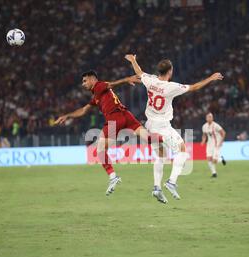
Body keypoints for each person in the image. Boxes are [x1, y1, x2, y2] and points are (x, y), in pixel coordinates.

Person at [125, 54, 223, 203]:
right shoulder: (171, 87)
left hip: (150, 125)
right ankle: (171, 182)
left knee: (161, 156)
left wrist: (133, 60)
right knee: (182, 151)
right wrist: (211, 78)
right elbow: (194, 87)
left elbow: (139, 72)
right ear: (170, 71)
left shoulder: (149, 80)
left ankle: (157, 188)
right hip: (162, 126)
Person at [54, 70, 165, 196]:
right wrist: (68, 116)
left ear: (92, 79)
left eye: (85, 81)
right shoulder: (96, 95)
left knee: (100, 149)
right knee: (149, 138)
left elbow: (111, 84)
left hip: (114, 119)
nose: (83, 84)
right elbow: (84, 110)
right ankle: (167, 138)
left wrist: (127, 79)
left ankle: (113, 176)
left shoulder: (98, 85)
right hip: (126, 115)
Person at [201, 113, 226, 178]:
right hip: (209, 144)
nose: (209, 118)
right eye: (208, 117)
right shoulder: (204, 126)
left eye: (210, 117)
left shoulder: (216, 125)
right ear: (206, 118)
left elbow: (223, 133)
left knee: (214, 160)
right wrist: (203, 140)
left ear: (212, 118)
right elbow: (204, 135)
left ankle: (221, 159)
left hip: (216, 144)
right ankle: (214, 173)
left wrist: (221, 142)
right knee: (209, 159)